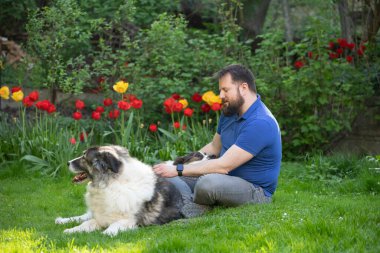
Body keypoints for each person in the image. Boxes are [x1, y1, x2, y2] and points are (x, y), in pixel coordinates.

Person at [153, 64, 282, 218]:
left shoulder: (261, 122)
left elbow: (224, 166)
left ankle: (188, 203)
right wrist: (179, 164)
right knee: (165, 173)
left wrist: (179, 170)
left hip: (253, 189)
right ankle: (192, 205)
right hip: (223, 177)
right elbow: (214, 147)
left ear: (244, 88)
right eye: (220, 90)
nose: (220, 95)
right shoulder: (230, 112)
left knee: (207, 184)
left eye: (225, 90)